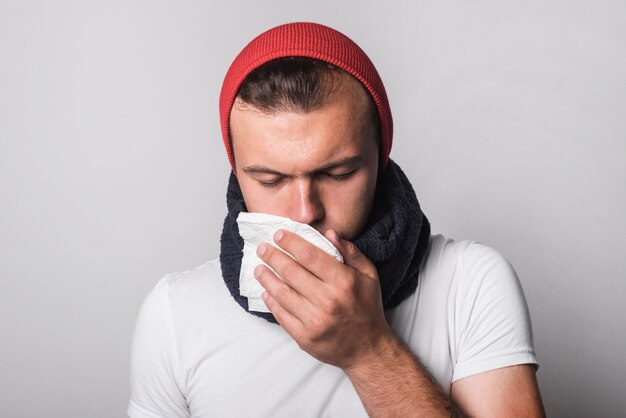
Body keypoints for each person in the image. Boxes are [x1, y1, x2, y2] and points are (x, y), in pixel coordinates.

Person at [128, 22, 545, 417]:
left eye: (337, 174)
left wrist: (369, 350)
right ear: (237, 171)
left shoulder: (471, 283)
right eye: (271, 180)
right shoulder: (172, 314)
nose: (306, 211)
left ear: (380, 157)